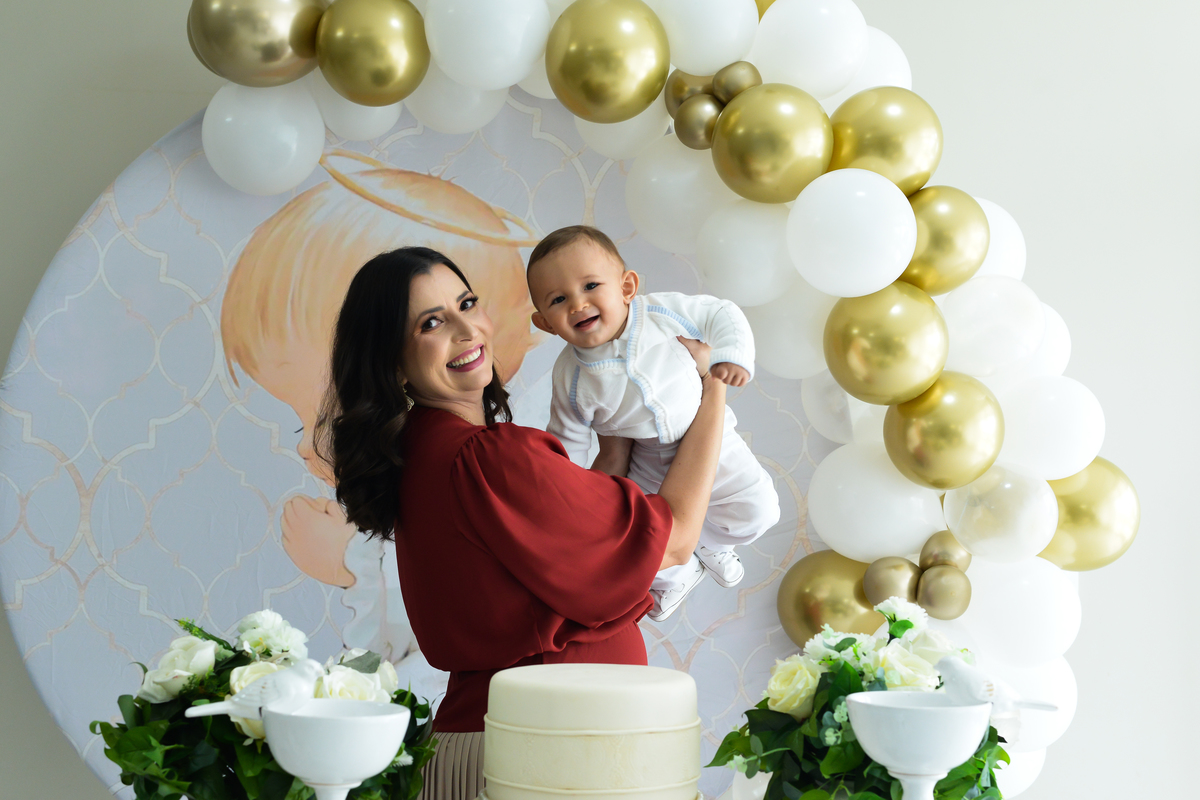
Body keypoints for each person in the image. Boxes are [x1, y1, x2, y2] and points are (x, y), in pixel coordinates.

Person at [313, 246, 729, 800]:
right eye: (432, 323)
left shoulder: (421, 457)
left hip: (503, 748)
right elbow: (673, 541)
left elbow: (569, 536)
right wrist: (714, 388)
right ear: (392, 361)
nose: (467, 330)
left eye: (467, 304)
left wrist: (616, 442)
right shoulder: (486, 457)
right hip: (552, 758)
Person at [219, 169, 539, 698]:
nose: (306, 445)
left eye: (317, 418)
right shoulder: (417, 468)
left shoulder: (480, 459)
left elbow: (461, 618)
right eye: (431, 322)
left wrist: (350, 561)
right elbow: (384, 645)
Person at [526, 226, 781, 621]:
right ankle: (680, 574)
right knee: (637, 541)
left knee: (759, 510)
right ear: (545, 323)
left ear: (627, 287)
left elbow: (720, 312)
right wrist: (568, 492)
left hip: (708, 435)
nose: (578, 304)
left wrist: (730, 355)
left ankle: (711, 544)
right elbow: (567, 438)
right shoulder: (570, 376)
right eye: (559, 299)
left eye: (591, 285)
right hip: (645, 458)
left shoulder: (660, 313)